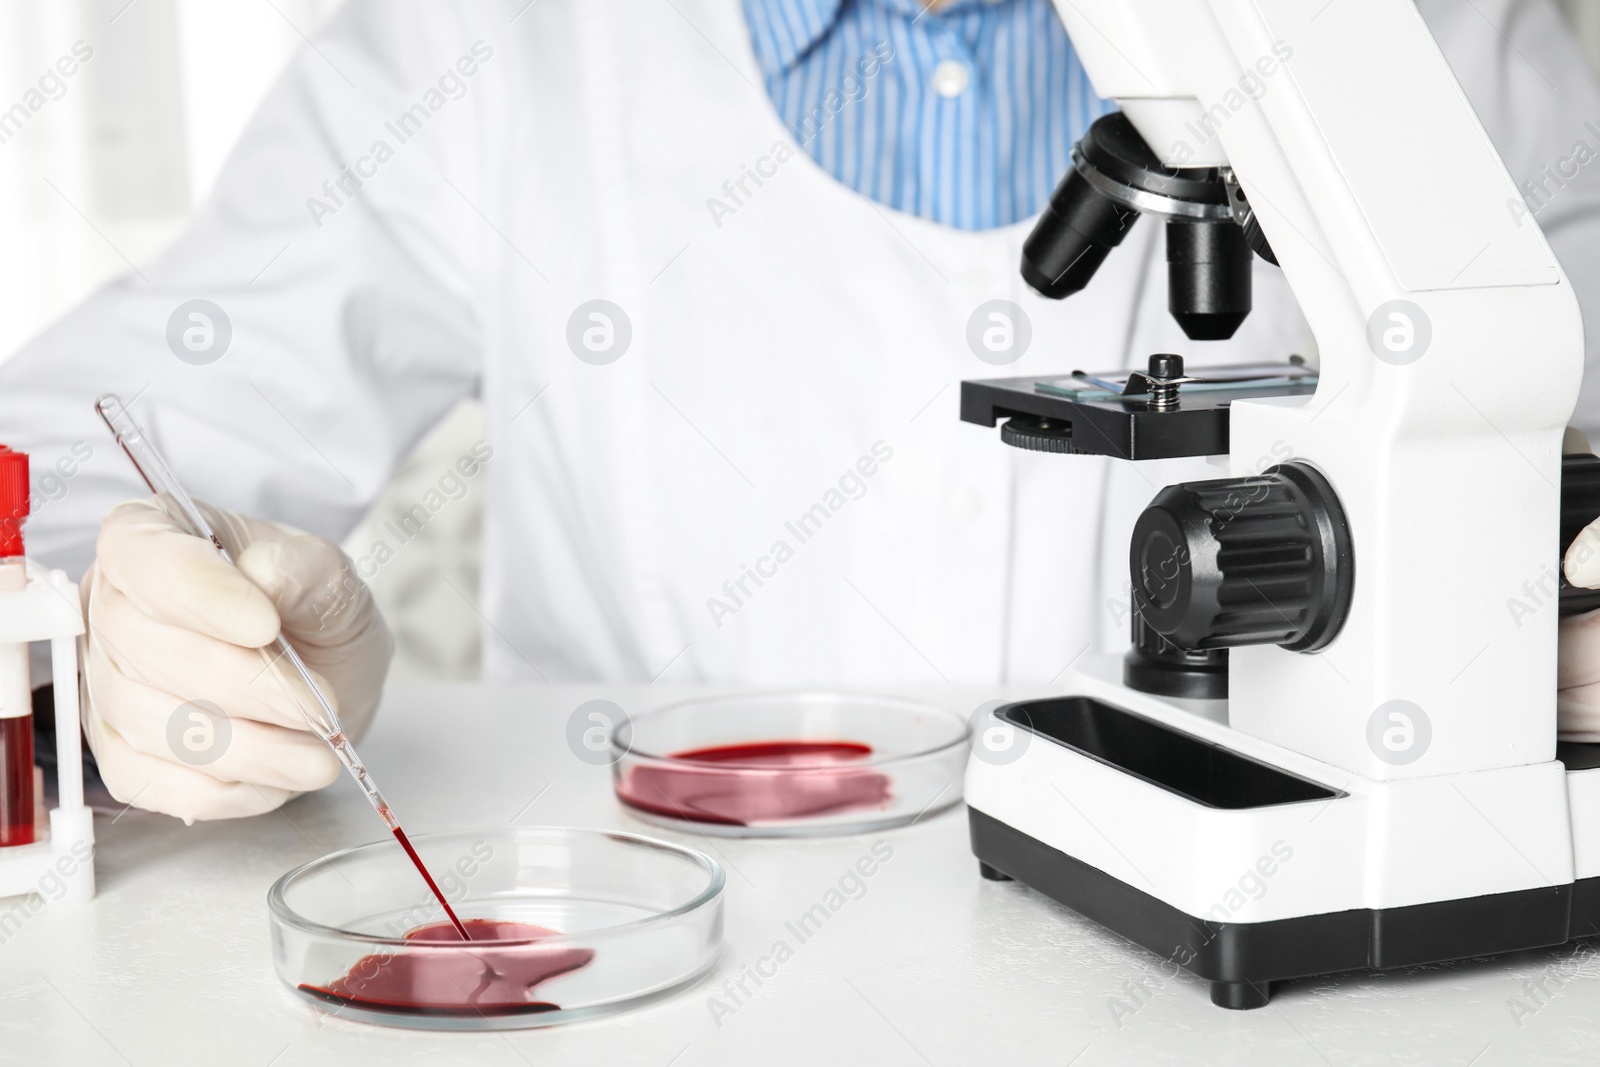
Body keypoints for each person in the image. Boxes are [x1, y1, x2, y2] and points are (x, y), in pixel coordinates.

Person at [2, 0, 1599, 822]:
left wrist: (1547, 613)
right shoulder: (477, 42)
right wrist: (150, 625)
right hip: (656, 967)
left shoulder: (1441, 39)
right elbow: (71, 448)